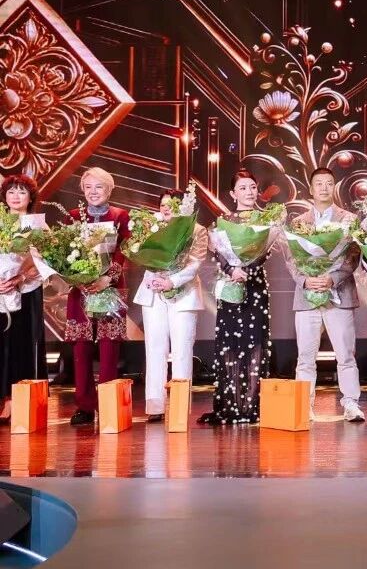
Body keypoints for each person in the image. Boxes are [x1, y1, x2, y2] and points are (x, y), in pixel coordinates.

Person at [282, 167, 365, 422]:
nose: (324, 188)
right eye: (319, 183)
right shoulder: (298, 222)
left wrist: (333, 278)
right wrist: (306, 280)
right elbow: (291, 258)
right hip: (308, 296)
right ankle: (304, 405)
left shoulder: (349, 219)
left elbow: (353, 257)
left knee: (346, 355)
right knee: (305, 357)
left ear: (334, 187)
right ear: (311, 188)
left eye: (329, 183)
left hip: (339, 295)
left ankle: (351, 403)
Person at [203, 169, 273, 425]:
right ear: (233, 194)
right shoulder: (223, 221)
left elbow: (264, 251)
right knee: (230, 343)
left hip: (255, 286)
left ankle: (252, 405)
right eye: (242, 188)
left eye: (252, 187)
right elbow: (218, 252)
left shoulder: (266, 220)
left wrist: (247, 269)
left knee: (254, 343)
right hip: (230, 285)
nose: (249, 192)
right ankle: (230, 404)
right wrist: (232, 269)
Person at [134, 187, 208, 422]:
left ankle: (179, 407)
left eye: (172, 205)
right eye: (163, 205)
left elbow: (195, 262)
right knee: (155, 349)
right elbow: (143, 256)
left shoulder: (197, 230)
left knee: (182, 350)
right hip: (153, 292)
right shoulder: (151, 227)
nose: (166, 209)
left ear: (183, 207)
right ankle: (155, 405)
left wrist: (172, 281)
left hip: (183, 294)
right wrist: (156, 277)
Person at [65, 167, 131, 427]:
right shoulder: (72, 217)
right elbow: (64, 253)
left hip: (110, 287)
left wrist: (107, 278)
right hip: (80, 289)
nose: (93, 192)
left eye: (99, 187)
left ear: (110, 190)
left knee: (108, 346)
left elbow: (123, 251)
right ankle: (84, 406)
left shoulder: (120, 216)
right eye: (88, 187)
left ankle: (107, 403)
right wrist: (79, 278)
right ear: (82, 190)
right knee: (81, 347)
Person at [0, 175, 45, 424]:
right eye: (11, 192)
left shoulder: (37, 225)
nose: (16, 197)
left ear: (30, 197)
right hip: (1, 289)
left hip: (26, 290)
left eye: (21, 192)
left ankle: (16, 399)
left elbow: (46, 261)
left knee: (21, 344)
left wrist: (21, 277)